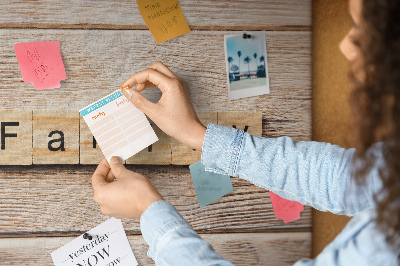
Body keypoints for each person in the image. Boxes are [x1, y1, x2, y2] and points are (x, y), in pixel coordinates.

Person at [90, 0, 400, 264]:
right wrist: (197, 135)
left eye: (364, 31)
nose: (346, 46)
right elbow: (346, 178)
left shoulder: (384, 248)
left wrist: (149, 211)